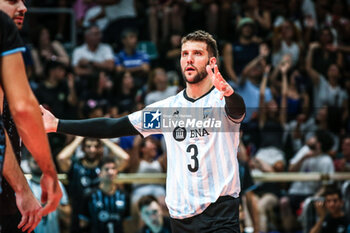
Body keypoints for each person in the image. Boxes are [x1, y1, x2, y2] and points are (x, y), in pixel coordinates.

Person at [41, 30, 246, 232]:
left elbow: (237, 111)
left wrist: (229, 93)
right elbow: (113, 126)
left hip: (220, 215)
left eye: (197, 53)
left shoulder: (221, 101)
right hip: (181, 218)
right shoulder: (167, 110)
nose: (189, 59)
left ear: (212, 62)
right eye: (185, 54)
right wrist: (57, 124)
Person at [0, 1, 62, 232]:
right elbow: (23, 109)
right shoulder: (2, 27)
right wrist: (44, 175)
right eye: (12, 0)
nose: (24, 7)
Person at [56, 136, 129, 233]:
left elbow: (125, 158)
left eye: (96, 146)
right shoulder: (76, 166)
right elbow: (61, 158)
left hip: (100, 216)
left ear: (100, 148)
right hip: (78, 215)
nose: (92, 150)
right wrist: (79, 139)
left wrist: (104, 140)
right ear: (82, 148)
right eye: (88, 146)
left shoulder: (104, 167)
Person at [79, 156, 128, 233]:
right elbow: (83, 224)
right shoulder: (90, 196)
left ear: (117, 172)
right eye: (106, 169)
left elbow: (127, 223)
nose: (110, 172)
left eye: (113, 168)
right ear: (100, 173)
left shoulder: (124, 195)